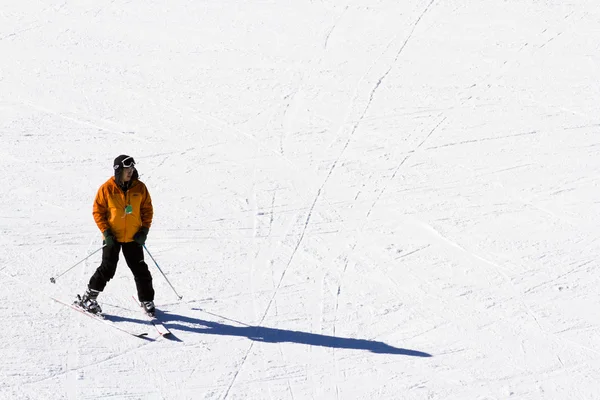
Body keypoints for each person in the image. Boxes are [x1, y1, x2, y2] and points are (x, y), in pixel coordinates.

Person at [77, 155, 156, 316]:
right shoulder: (107, 188)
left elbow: (147, 210)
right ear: (118, 170)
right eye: (127, 169)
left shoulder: (140, 188)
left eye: (132, 169)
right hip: (112, 237)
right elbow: (98, 212)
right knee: (107, 269)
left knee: (140, 269)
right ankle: (89, 298)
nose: (130, 172)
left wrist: (144, 231)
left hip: (133, 237)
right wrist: (106, 233)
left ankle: (146, 299)